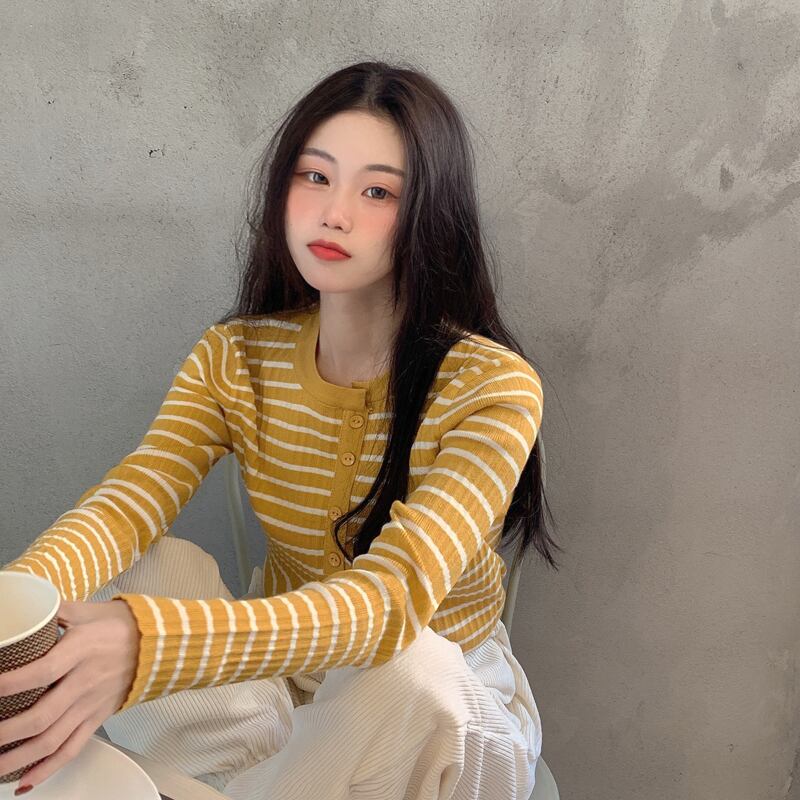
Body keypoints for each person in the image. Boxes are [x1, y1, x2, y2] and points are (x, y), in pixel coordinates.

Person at [0, 60, 561, 799]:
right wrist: (16, 609)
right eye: (315, 177)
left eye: (378, 192)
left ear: (431, 212)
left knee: (407, 670)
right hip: (277, 689)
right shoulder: (235, 357)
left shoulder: (491, 387)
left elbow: (391, 605)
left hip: (433, 719)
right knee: (131, 563)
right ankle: (276, 780)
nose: (334, 214)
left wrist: (148, 645)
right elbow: (129, 503)